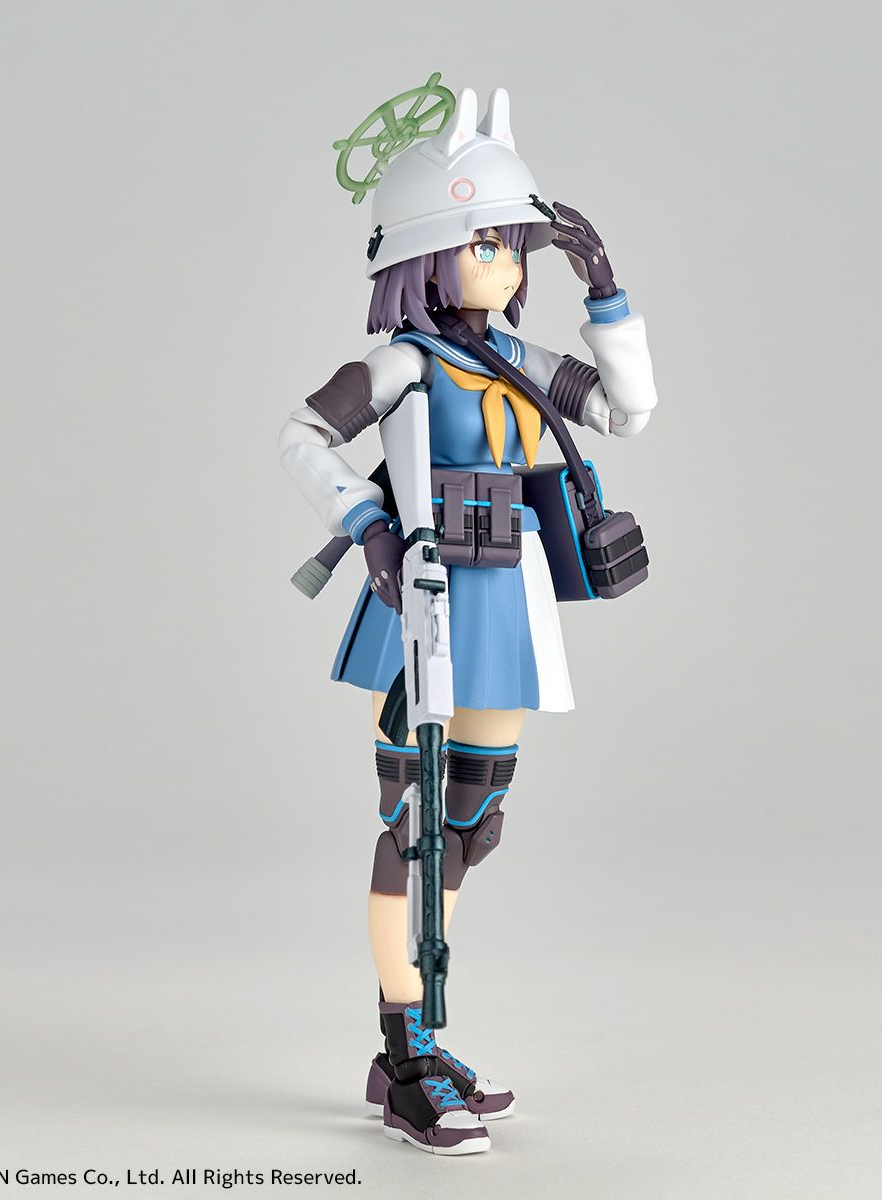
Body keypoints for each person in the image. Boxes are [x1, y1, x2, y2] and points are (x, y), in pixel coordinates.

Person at [278, 85, 658, 1155]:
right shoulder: (401, 363)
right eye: (486, 242)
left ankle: (420, 1048)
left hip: (508, 603)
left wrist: (608, 292)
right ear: (427, 254)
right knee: (413, 830)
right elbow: (302, 435)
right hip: (429, 599)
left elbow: (627, 411)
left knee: (470, 826)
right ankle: (405, 1054)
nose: (508, 262)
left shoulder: (517, 361)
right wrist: (368, 525)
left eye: (512, 244)